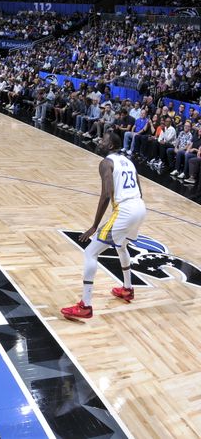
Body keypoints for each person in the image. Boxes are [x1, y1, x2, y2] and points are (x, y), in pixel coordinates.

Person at [62, 131, 146, 320]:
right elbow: (139, 190)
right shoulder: (129, 162)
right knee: (122, 245)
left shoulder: (106, 163)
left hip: (126, 210)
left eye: (104, 140)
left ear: (110, 146)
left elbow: (106, 195)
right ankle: (127, 289)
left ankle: (85, 305)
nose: (100, 141)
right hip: (140, 207)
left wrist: (94, 225)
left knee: (90, 252)